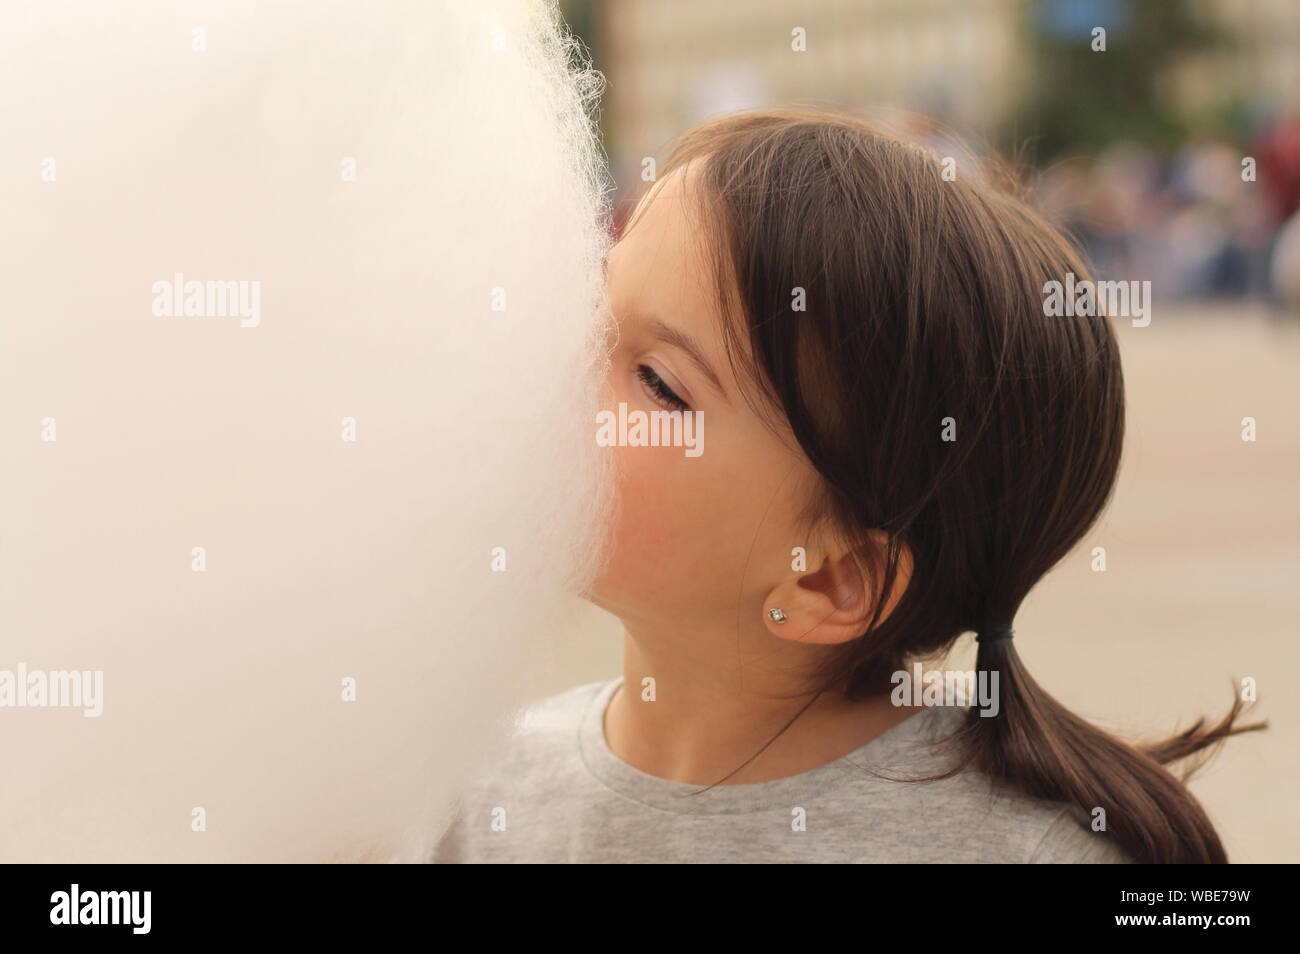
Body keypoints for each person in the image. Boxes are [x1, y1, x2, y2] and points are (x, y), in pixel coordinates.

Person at [432, 105, 1263, 864]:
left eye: (656, 381)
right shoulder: (459, 798)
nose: (567, 361)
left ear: (831, 578)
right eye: (592, 304)